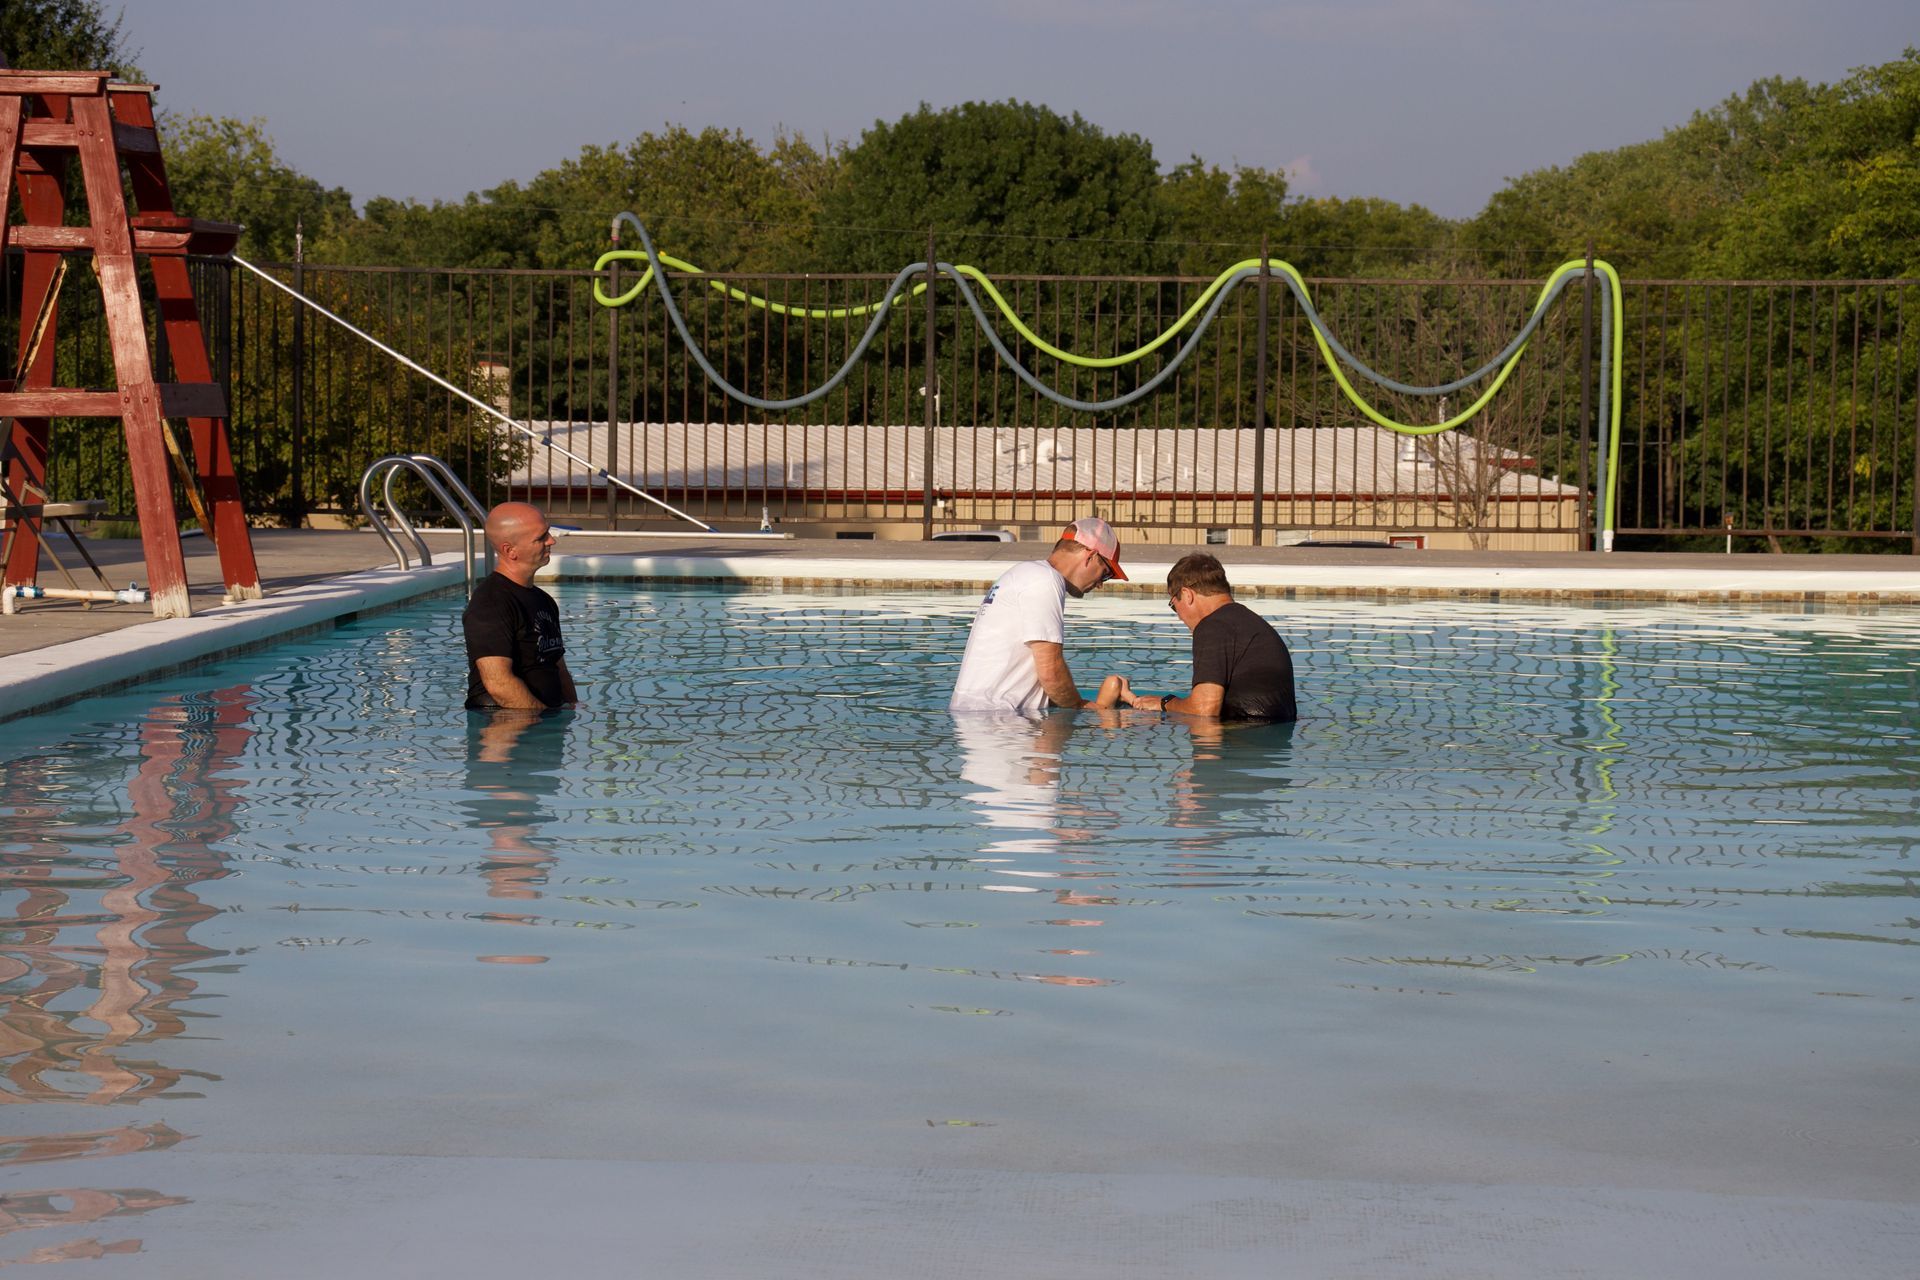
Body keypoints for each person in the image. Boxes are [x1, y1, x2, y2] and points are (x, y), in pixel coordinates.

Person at [949, 516, 1128, 714]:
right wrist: (1089, 711)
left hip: (979, 718)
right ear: (1091, 556)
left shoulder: (1025, 574)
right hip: (998, 721)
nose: (1101, 584)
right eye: (1106, 573)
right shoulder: (1044, 581)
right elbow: (1050, 672)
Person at [1118, 553, 1296, 721]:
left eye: (1174, 605)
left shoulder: (1212, 626)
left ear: (1187, 595)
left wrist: (1164, 703)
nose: (1178, 615)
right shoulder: (1255, 625)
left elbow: (1204, 710)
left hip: (1242, 741)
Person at [463, 501, 578, 711]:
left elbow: (557, 666)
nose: (551, 541)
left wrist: (573, 708)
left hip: (542, 723)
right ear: (510, 550)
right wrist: (542, 725)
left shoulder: (544, 600)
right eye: (541, 537)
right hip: (506, 726)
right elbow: (499, 685)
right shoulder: (490, 603)